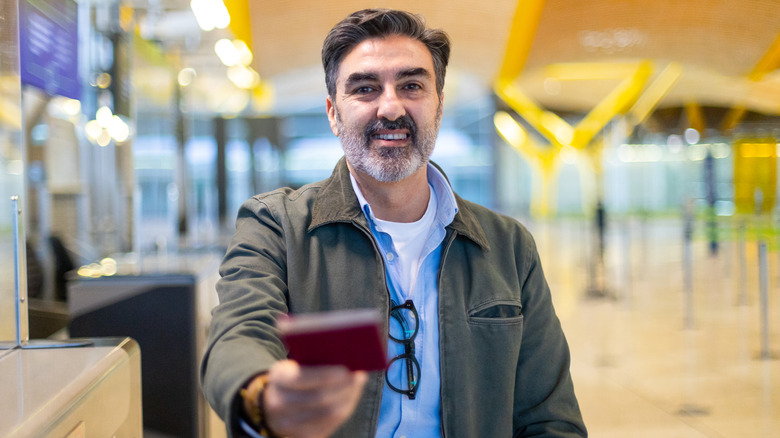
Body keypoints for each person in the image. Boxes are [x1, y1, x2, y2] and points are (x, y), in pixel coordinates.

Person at [201, 8, 587, 438]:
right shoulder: (277, 227)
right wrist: (263, 394)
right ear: (333, 113)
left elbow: (550, 418)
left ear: (439, 106)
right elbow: (239, 332)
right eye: (365, 88)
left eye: (412, 86)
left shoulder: (509, 247)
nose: (390, 107)